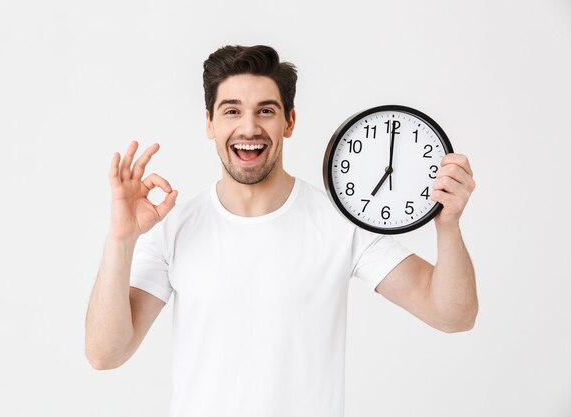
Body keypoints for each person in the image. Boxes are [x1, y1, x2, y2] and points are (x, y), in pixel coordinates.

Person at [85, 45, 477, 417]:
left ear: (289, 121)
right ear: (210, 123)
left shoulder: (341, 222)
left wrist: (448, 224)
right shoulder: (174, 226)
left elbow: (452, 316)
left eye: (266, 110)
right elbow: (105, 354)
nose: (249, 127)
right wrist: (121, 240)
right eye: (232, 111)